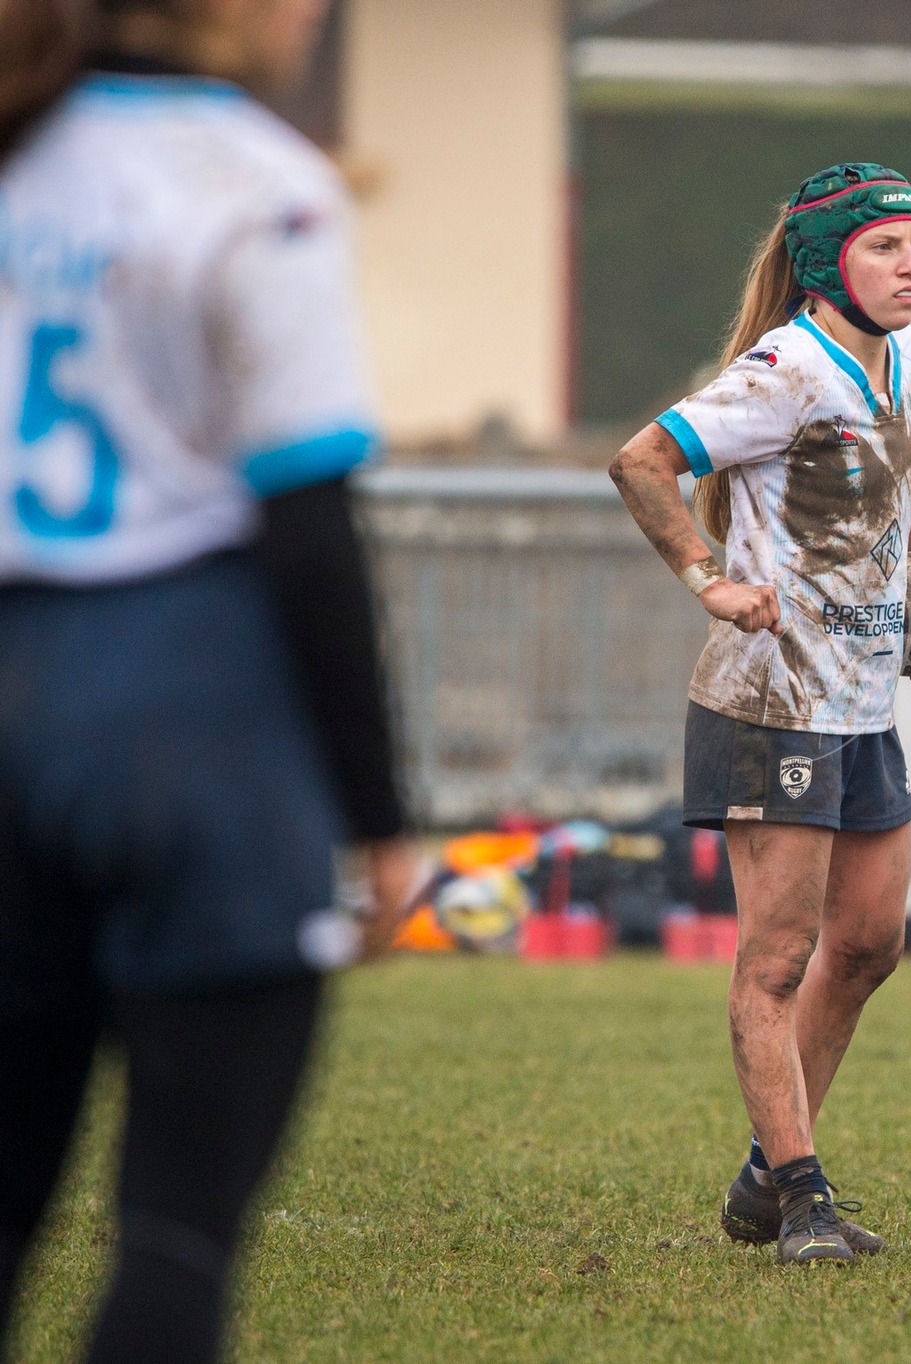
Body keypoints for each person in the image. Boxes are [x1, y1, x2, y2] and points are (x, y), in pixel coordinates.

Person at [0, 1, 417, 1359]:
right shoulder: (256, 179)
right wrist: (377, 813)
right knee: (175, 1243)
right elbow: (308, 524)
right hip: (182, 711)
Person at [610, 163, 911, 1265]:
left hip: (861, 704)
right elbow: (641, 463)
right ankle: (803, 1194)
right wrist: (708, 578)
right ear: (828, 263)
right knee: (776, 961)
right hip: (770, 701)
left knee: (868, 945)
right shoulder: (783, 369)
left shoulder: (909, 359)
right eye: (885, 247)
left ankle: (764, 1172)